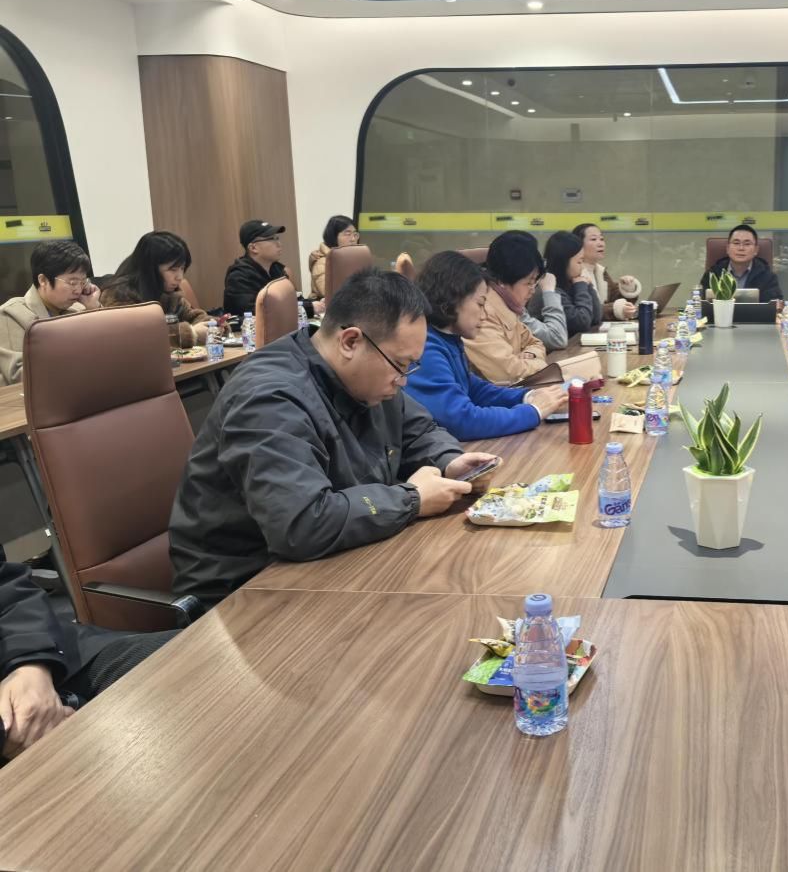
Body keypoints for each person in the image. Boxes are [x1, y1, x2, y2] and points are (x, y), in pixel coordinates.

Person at [168, 269, 496, 607]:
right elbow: (301, 523)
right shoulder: (268, 398)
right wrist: (411, 499)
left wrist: (450, 461)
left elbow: (420, 431)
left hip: (329, 563)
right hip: (243, 590)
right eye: (401, 364)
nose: (403, 380)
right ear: (350, 341)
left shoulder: (370, 375)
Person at [0, 561, 175, 760]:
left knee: (178, 658)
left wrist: (30, 664)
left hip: (35, 654)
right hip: (12, 732)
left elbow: (5, 584)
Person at [405, 252, 568, 440]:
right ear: (452, 299)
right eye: (480, 304)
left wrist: (527, 396)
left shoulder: (448, 339)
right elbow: (461, 420)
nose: (483, 315)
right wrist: (533, 411)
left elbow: (475, 389)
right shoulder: (424, 348)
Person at [0, 240, 101, 385]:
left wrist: (94, 309)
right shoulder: (12, 314)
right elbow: (19, 373)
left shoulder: (80, 309)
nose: (78, 290)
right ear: (43, 280)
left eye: (83, 282)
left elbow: (108, 349)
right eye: (72, 283)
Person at [464, 232, 550, 385]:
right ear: (503, 280)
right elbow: (508, 373)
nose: (532, 290)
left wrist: (529, 355)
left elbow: (535, 343)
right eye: (528, 282)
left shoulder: (508, 306)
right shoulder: (482, 313)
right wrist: (539, 365)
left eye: (535, 282)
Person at [99, 231, 210, 348]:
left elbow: (194, 316)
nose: (180, 277)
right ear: (150, 269)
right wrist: (191, 333)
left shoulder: (168, 293)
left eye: (182, 268)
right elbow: (136, 338)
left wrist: (210, 326)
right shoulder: (119, 295)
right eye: (173, 269)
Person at [223, 219, 325, 318]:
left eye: (277, 238)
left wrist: (316, 303)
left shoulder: (277, 269)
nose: (279, 244)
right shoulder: (238, 277)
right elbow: (257, 312)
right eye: (272, 239)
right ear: (253, 248)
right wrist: (309, 308)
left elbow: (294, 300)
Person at [531, 231, 601, 335]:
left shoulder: (570, 284)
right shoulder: (549, 289)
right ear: (563, 262)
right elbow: (581, 322)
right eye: (579, 262)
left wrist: (588, 286)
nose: (582, 267)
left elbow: (596, 317)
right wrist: (581, 286)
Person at [573, 222, 642, 320]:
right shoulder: (574, 272)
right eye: (593, 239)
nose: (600, 244)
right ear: (578, 244)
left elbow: (614, 301)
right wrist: (615, 309)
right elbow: (584, 311)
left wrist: (627, 288)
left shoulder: (600, 271)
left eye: (601, 239)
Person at [700, 224, 782, 303]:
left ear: (756, 250)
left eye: (747, 244)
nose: (741, 248)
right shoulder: (713, 274)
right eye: (736, 243)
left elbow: (774, 306)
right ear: (727, 248)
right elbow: (701, 304)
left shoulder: (768, 277)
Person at [310, 215, 359, 299]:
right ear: (334, 236)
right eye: (348, 234)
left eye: (355, 234)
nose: (353, 239)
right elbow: (328, 292)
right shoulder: (322, 262)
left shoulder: (356, 258)